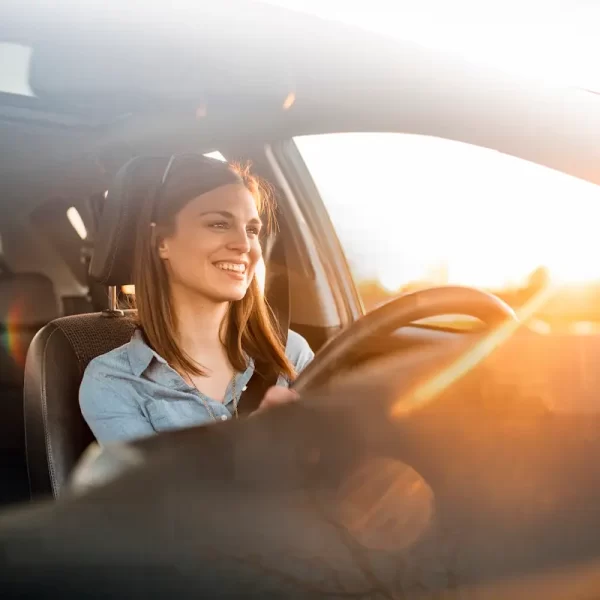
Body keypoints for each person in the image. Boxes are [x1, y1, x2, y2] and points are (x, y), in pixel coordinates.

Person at [80, 155, 314, 444]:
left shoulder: (290, 353)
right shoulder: (113, 382)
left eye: (252, 230)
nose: (244, 245)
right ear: (162, 242)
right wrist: (252, 446)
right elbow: (156, 490)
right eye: (218, 224)